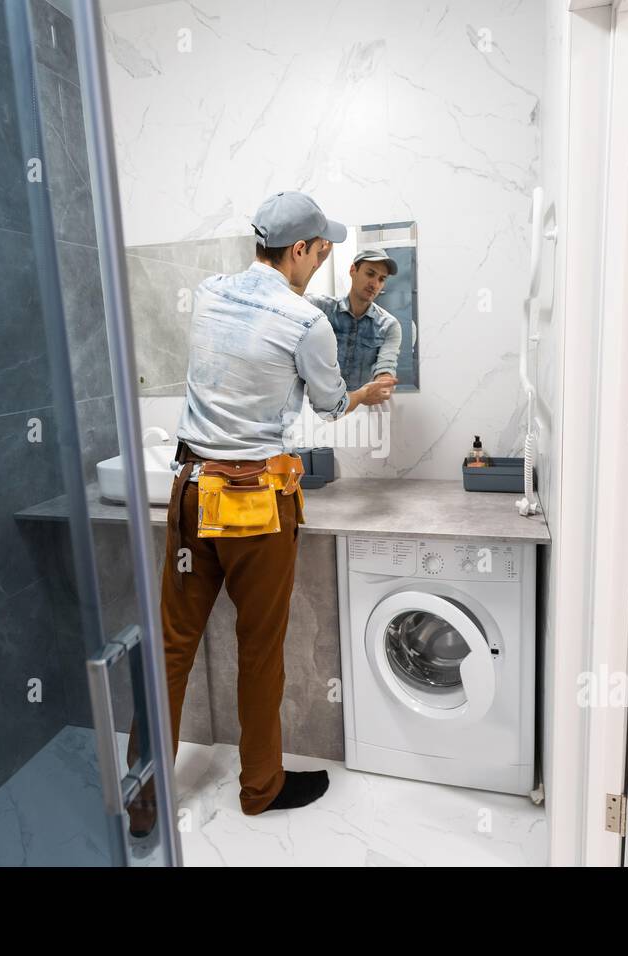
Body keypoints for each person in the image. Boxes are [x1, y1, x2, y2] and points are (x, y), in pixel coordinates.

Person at [127, 191, 394, 838]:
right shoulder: (307, 322)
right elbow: (329, 406)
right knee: (260, 648)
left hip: (192, 491)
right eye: (320, 250)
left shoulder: (213, 290)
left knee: (170, 647)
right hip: (257, 505)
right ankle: (260, 786)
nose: (322, 261)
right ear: (297, 249)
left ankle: (141, 795)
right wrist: (363, 393)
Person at [306, 247, 403, 397]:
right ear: (353, 270)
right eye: (370, 274)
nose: (375, 284)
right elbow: (289, 298)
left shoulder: (389, 325)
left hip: (359, 408)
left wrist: (383, 383)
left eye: (381, 279)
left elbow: (386, 366)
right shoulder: (322, 308)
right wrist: (314, 264)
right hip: (315, 405)